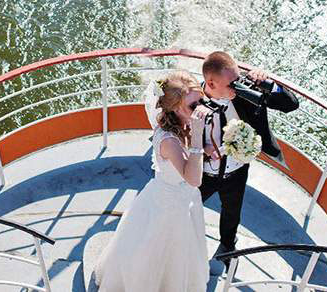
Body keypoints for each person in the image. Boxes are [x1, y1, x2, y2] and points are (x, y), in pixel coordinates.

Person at [94, 71, 210, 292]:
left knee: (181, 252)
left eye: (201, 100)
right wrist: (197, 134)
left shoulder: (182, 124)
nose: (201, 109)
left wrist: (207, 148)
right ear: (175, 108)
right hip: (168, 206)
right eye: (193, 106)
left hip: (183, 199)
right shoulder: (168, 140)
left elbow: (190, 160)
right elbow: (193, 178)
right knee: (155, 252)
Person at [195, 51, 299, 268]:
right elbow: (177, 136)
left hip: (237, 170)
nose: (237, 86)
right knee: (186, 207)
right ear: (211, 82)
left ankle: (227, 245)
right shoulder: (192, 100)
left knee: (232, 212)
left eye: (237, 79)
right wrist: (202, 151)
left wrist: (268, 84)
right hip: (202, 173)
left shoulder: (244, 92)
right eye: (231, 83)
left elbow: (291, 105)